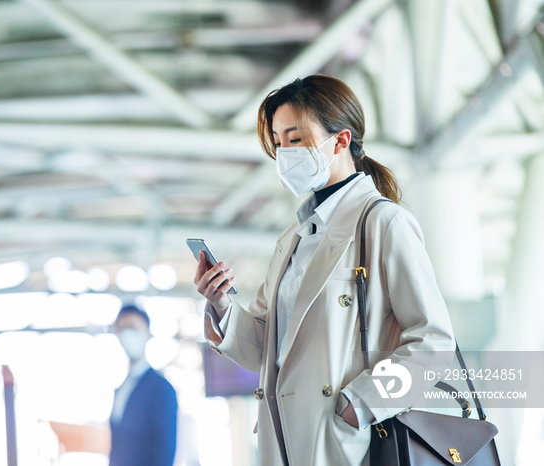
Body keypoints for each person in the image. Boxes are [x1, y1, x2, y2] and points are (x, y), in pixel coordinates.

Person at [194, 75, 456, 466]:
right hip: (283, 441)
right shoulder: (293, 240)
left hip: (348, 444)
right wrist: (222, 306)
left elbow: (433, 344)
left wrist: (360, 404)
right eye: (279, 142)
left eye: (295, 138)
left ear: (341, 140)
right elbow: (266, 348)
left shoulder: (383, 224)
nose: (285, 152)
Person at [109, 304, 178, 466]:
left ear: (147, 333)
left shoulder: (161, 388)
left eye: (133, 327)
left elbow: (165, 451)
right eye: (123, 328)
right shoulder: (121, 389)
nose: (128, 334)